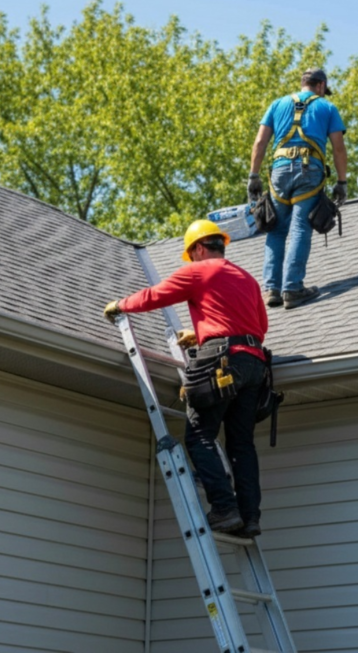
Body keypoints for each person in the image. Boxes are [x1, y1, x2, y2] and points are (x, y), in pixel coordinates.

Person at [103, 219, 269, 537]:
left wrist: (120, 305)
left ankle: (224, 509)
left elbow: (156, 295)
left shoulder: (198, 271)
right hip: (254, 364)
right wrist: (200, 333)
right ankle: (250, 517)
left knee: (200, 436)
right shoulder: (247, 278)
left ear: (198, 248)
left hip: (224, 359)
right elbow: (259, 327)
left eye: (191, 254)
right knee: (241, 444)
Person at [248, 67, 348, 310]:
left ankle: (272, 288)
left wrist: (253, 176)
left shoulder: (277, 104)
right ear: (321, 86)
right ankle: (292, 288)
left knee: (276, 228)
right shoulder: (326, 108)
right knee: (301, 227)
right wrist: (342, 182)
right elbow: (338, 148)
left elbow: (260, 142)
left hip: (279, 172)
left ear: (303, 83)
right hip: (308, 170)